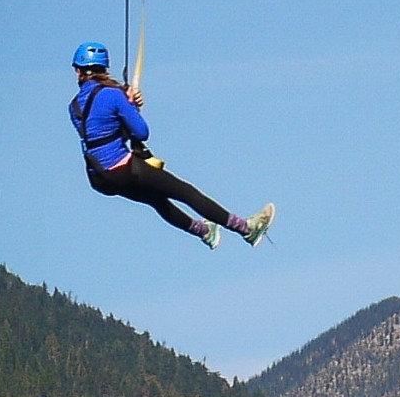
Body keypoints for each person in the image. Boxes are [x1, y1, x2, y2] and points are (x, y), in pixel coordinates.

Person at [68, 42, 273, 249]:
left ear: (78, 70)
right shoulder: (113, 95)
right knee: (186, 193)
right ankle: (247, 229)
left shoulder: (74, 106)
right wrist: (131, 106)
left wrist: (126, 103)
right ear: (105, 68)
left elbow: (101, 130)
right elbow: (141, 133)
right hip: (123, 168)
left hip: (100, 179)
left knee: (157, 200)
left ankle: (205, 232)